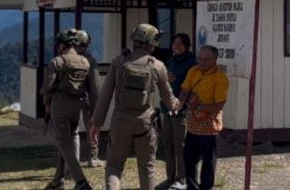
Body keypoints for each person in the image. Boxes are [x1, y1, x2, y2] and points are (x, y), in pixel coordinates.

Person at [89, 23, 180, 190]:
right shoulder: (158, 65)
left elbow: (105, 95)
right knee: (147, 167)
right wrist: (179, 106)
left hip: (120, 121)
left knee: (114, 166)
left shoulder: (119, 62)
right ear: (153, 42)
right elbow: (169, 98)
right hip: (145, 123)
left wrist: (97, 123)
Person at [40, 28, 98, 190]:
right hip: (77, 107)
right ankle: (58, 180)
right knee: (68, 140)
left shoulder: (57, 62)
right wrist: (94, 112)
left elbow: (47, 88)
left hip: (60, 105)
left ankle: (81, 182)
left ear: (61, 45)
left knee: (64, 144)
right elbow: (94, 90)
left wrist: (46, 102)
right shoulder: (85, 62)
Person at [177, 46, 229, 190]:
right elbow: (184, 91)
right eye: (200, 58)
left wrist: (198, 108)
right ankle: (192, 187)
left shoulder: (220, 77)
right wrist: (179, 103)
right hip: (193, 123)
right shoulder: (193, 71)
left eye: (206, 60)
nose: (202, 62)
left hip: (209, 126)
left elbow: (219, 105)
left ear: (215, 60)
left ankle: (206, 187)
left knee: (208, 161)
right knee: (189, 157)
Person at [156, 34, 197, 190]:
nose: (176, 46)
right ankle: (170, 177)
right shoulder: (171, 61)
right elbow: (164, 81)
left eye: (180, 44)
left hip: (182, 110)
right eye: (174, 43)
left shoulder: (191, 63)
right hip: (167, 108)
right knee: (167, 144)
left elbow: (190, 86)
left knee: (180, 146)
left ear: (187, 46)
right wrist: (166, 78)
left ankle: (181, 178)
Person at [76, 30, 103, 168]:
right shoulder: (90, 60)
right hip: (85, 98)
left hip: (68, 100)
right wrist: (97, 107)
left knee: (70, 130)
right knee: (92, 127)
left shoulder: (64, 59)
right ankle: (93, 156)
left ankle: (70, 157)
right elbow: (95, 86)